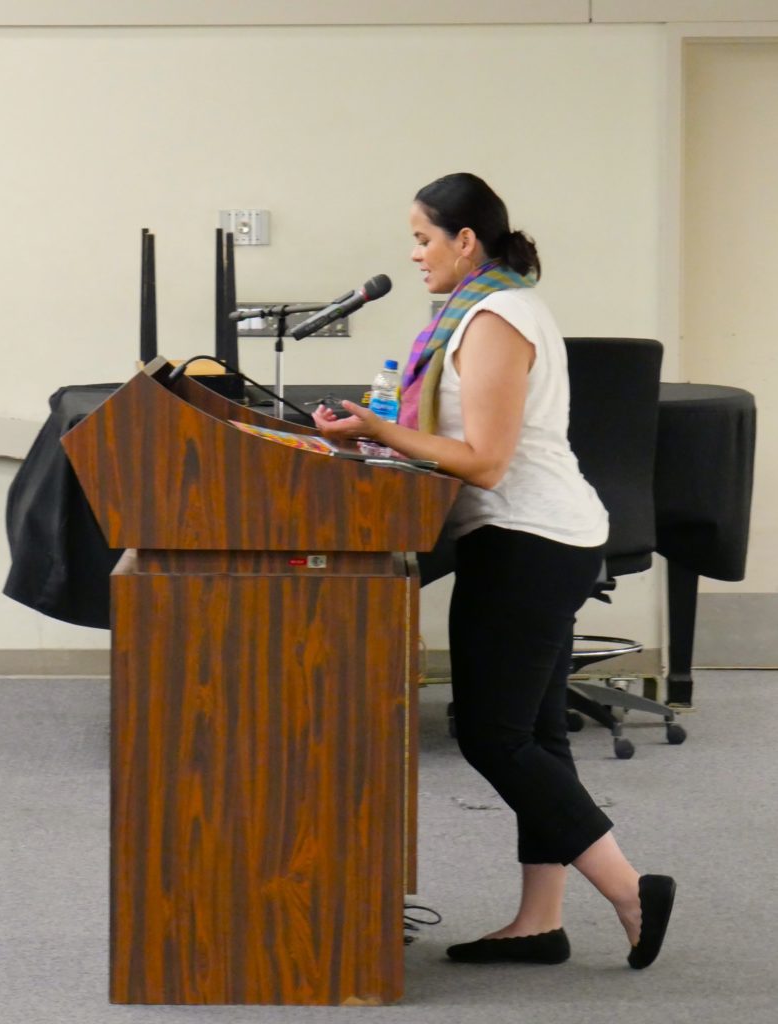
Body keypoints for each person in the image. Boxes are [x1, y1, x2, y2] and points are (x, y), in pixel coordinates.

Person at [313, 172, 675, 970]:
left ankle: (628, 891)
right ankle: (538, 922)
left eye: (421, 237)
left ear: (464, 240)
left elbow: (483, 461)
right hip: (534, 534)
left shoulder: (495, 316)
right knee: (536, 734)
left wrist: (378, 425)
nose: (413, 254)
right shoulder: (486, 310)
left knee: (491, 734)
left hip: (529, 539)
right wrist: (370, 440)